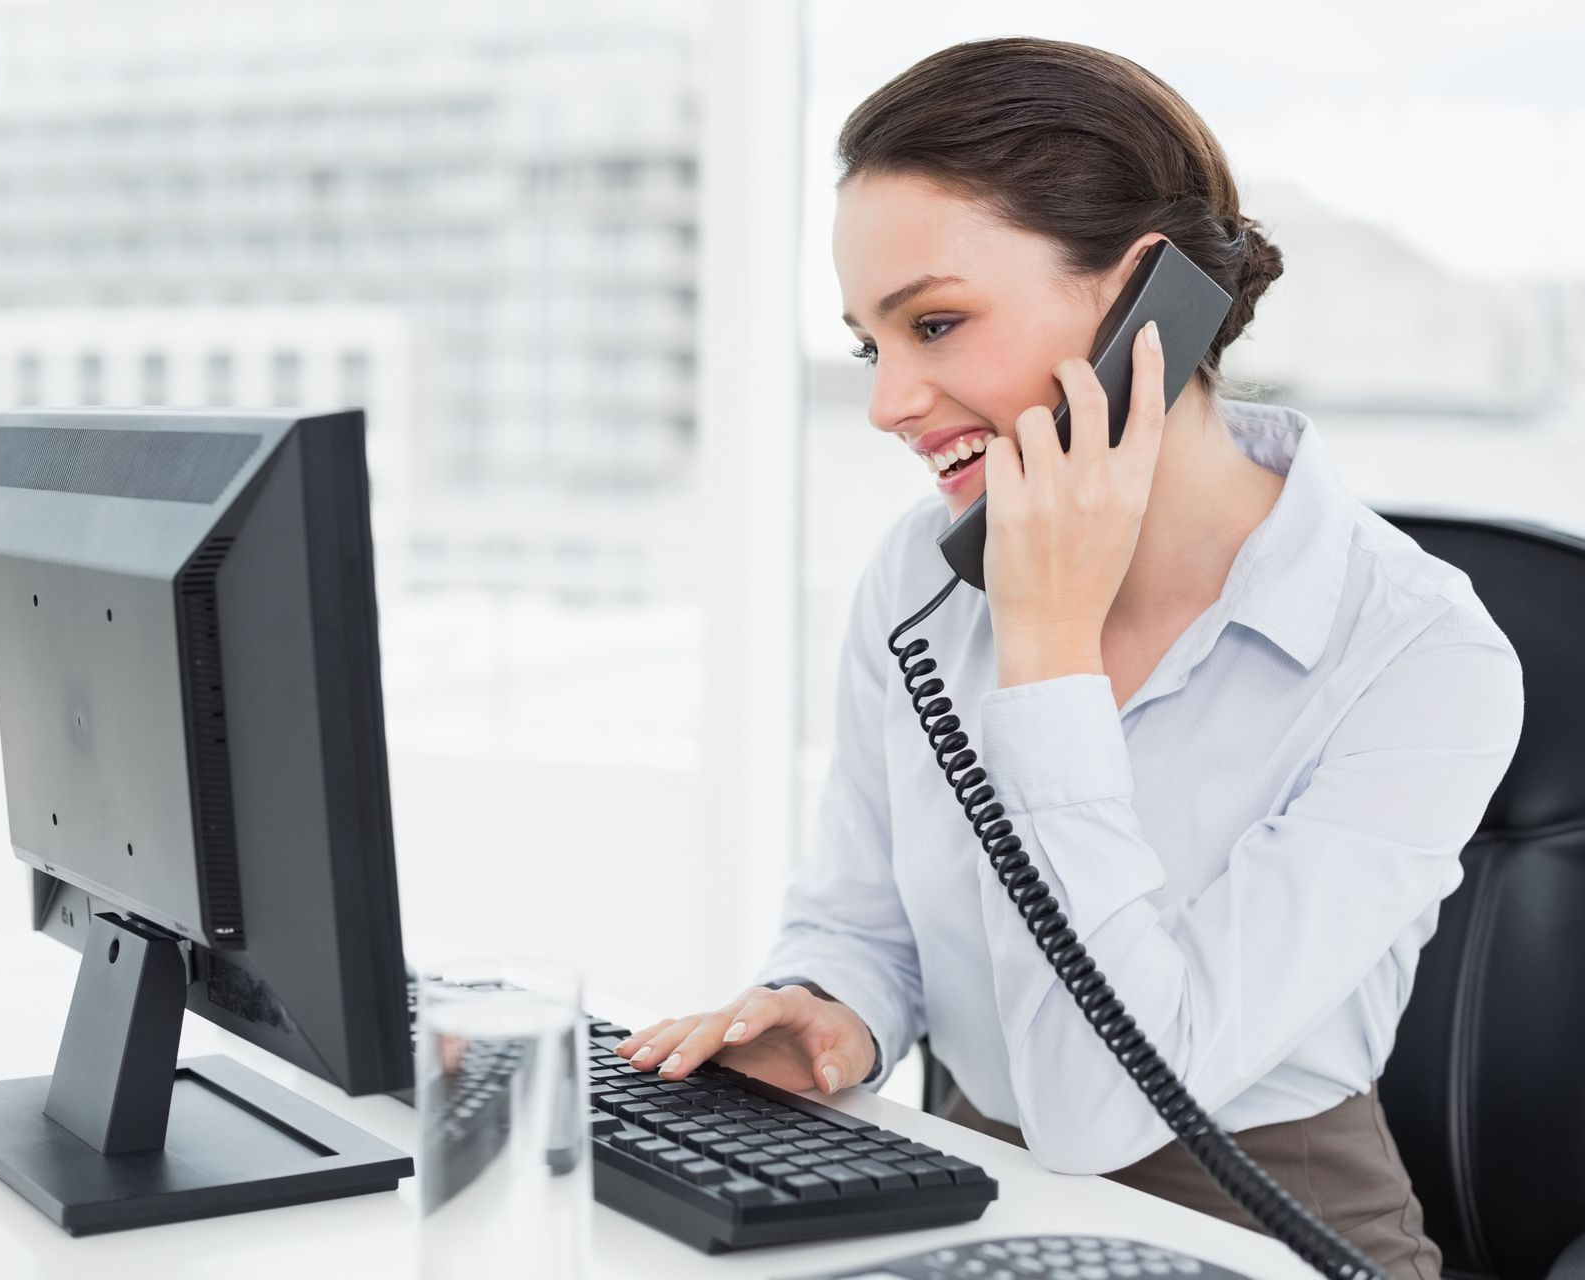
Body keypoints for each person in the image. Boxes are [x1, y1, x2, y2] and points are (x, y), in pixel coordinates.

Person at [611, 36, 1523, 1280]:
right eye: (875, 346)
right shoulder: (920, 575)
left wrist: (1045, 654)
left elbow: (1102, 1104)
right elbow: (861, 915)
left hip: (1269, 1223)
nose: (889, 402)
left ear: (1145, 299)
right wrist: (831, 1012)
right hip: (972, 1186)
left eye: (937, 322)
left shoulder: (1421, 653)